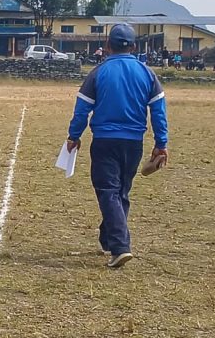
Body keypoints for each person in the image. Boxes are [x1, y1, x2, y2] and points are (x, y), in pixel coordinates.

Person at [65, 23, 169, 268]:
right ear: (134, 46)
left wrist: (74, 135)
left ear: (108, 46)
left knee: (108, 190)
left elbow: (82, 110)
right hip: (133, 143)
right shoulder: (147, 73)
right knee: (120, 191)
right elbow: (158, 111)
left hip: (104, 140)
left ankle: (120, 247)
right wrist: (161, 143)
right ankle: (108, 240)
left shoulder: (98, 72)